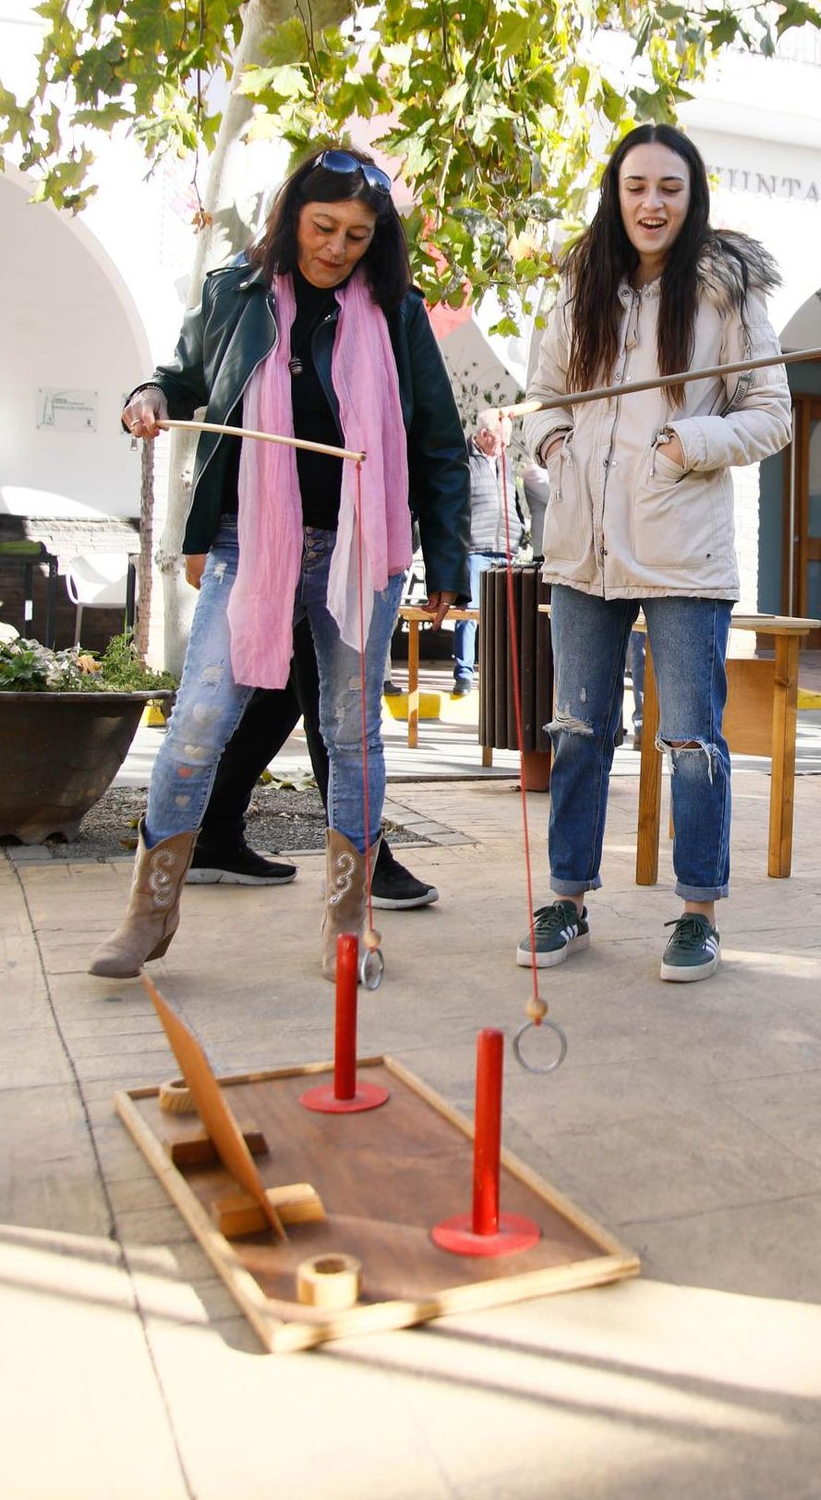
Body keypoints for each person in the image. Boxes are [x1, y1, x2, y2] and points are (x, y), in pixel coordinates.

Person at [90, 146, 467, 980]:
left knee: (351, 732)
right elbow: (182, 377)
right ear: (293, 213)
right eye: (323, 227)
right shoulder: (237, 291)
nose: (336, 248)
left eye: (357, 236)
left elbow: (440, 440)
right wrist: (149, 398)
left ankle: (348, 924)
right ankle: (146, 918)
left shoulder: (397, 312)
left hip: (359, 548)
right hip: (245, 540)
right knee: (196, 724)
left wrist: (449, 558)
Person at [525, 122, 791, 982]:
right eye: (637, 186)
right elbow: (543, 400)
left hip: (683, 549)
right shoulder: (579, 287)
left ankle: (698, 911)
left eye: (670, 189)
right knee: (577, 730)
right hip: (582, 546)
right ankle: (566, 897)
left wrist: (688, 444)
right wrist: (558, 452)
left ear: (692, 197)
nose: (652, 204)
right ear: (616, 193)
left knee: (690, 737)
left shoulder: (726, 295)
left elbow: (771, 414)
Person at [184, 613, 439, 907]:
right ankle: (358, 859)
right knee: (332, 705)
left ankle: (213, 834)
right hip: (313, 575)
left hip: (305, 573)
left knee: (281, 692)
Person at [451, 409, 524, 697]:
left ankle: (501, 674)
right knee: (469, 614)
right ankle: (464, 674)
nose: (505, 446)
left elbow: (513, 500)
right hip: (476, 547)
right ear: (483, 435)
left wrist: (518, 530)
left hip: (507, 549)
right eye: (500, 441)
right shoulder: (463, 459)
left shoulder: (506, 462)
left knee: (507, 617)